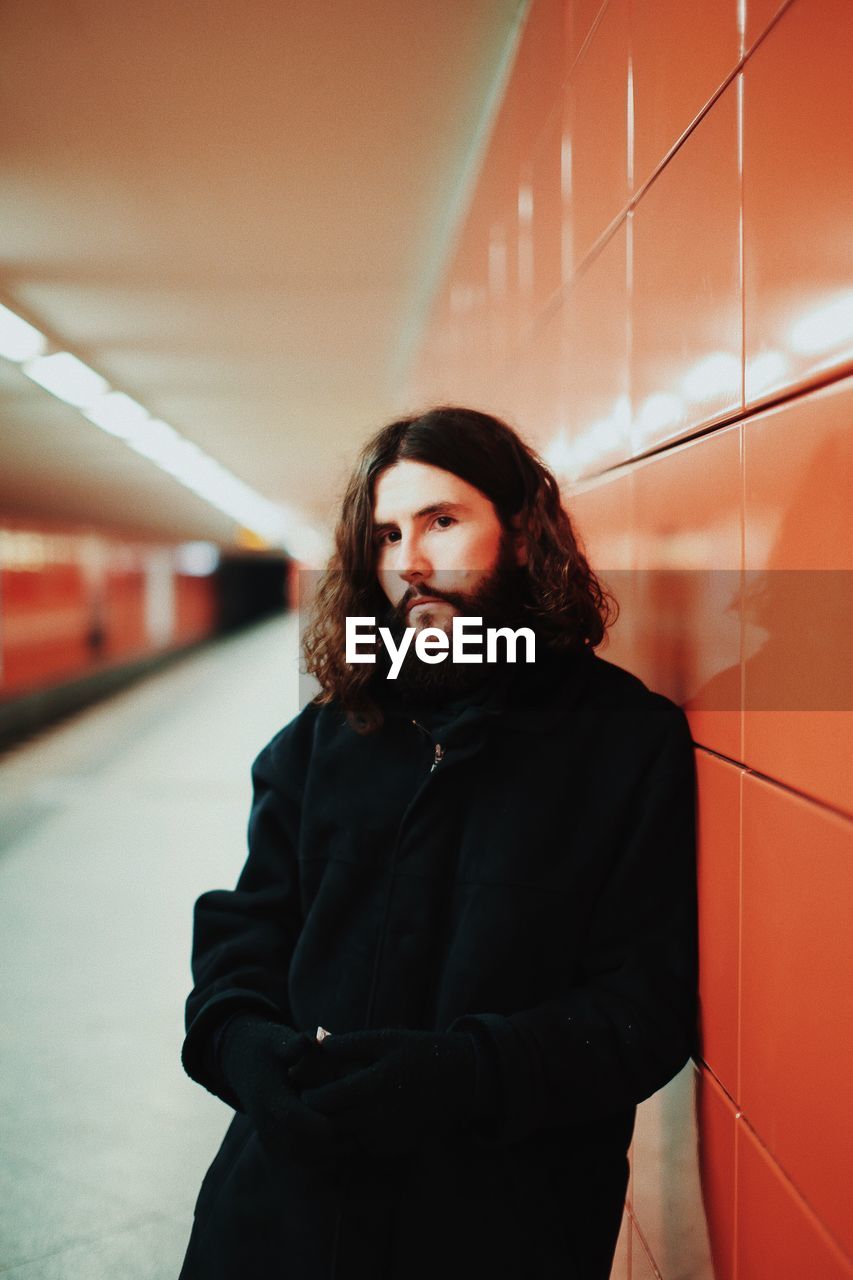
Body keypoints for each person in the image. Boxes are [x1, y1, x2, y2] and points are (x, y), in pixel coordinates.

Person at [178, 406, 698, 1280]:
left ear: (526, 535)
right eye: (384, 535)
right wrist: (241, 1046)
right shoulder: (322, 741)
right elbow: (244, 937)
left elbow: (641, 1012)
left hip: (499, 1229)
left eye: (441, 521)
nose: (409, 562)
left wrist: (456, 1075)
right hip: (282, 1216)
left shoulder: (622, 742)